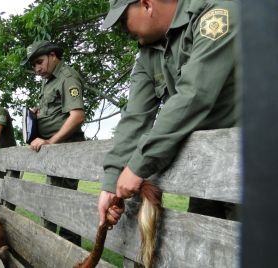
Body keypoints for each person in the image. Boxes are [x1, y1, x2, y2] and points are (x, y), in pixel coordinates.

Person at [99, 0, 238, 227]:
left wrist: (137, 166)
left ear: (146, 4)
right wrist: (111, 184)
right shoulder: (149, 53)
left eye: (124, 20)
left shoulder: (215, 13)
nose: (123, 30)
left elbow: (193, 96)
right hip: (205, 166)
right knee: (201, 246)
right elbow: (135, 116)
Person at [21, 40, 86, 246]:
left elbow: (76, 116)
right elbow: (56, 112)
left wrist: (50, 141)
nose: (37, 69)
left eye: (39, 62)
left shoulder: (67, 77)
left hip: (66, 149)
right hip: (55, 151)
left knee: (65, 205)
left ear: (53, 55)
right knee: (52, 202)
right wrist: (37, 116)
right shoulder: (48, 81)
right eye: (33, 65)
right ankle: (52, 248)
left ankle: (70, 254)